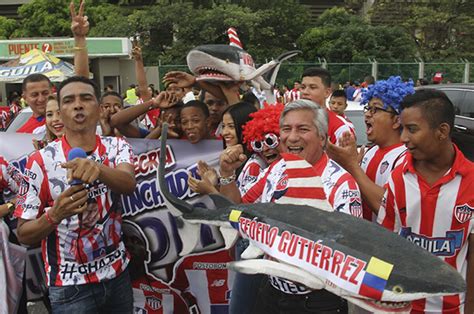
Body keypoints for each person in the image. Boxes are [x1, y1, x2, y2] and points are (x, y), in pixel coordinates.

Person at [220, 99, 362, 313]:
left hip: (316, 303)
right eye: (286, 129)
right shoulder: (276, 169)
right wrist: (227, 175)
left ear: (322, 138)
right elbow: (238, 208)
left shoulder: (341, 185)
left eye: (303, 129)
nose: (292, 137)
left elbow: (350, 260)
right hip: (271, 291)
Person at [15, 76, 136, 313]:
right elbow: (23, 233)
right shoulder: (39, 162)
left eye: (86, 98)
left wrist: (98, 168)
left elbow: (128, 183)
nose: (78, 105)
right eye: (69, 100)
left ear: (99, 108)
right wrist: (55, 215)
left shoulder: (117, 147)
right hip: (70, 288)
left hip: (117, 275)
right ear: (60, 111)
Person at [377, 89, 474, 313]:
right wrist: (376, 294)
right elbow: (384, 245)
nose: (403, 138)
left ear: (442, 131)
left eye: (412, 129)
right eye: (402, 129)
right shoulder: (397, 179)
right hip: (403, 306)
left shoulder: (471, 181)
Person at [327, 76, 414, 220]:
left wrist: (352, 166)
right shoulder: (370, 151)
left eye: (375, 110)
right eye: (368, 108)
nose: (367, 114)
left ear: (397, 120)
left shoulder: (405, 158)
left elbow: (387, 208)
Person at [123, 220, 189, 314]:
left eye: (136, 241)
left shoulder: (169, 295)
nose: (129, 245)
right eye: (122, 240)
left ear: (147, 254)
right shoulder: (99, 294)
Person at [300, 67, 354, 144]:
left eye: (312, 87)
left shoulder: (340, 127)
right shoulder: (292, 121)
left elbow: (347, 155)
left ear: (327, 92)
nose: (305, 92)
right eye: (303, 87)